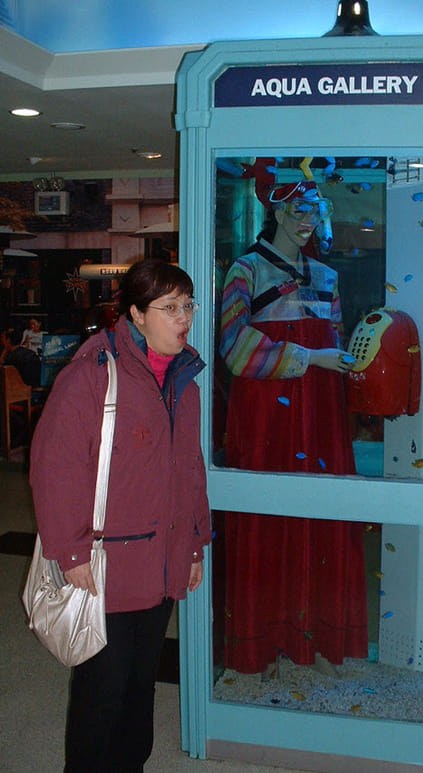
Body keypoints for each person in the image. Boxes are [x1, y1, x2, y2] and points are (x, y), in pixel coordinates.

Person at [29, 259, 211, 772]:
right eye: (170, 308)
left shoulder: (184, 380)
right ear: (135, 312)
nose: (184, 319)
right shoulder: (91, 374)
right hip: (104, 565)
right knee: (102, 689)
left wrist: (194, 544)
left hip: (162, 558)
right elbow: (54, 468)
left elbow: (189, 470)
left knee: (139, 683)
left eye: (188, 306)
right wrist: (70, 551)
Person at [219, 180, 368, 676]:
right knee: (265, 522)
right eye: (300, 211)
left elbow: (338, 340)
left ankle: (318, 639)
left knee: (322, 517)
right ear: (276, 211)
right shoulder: (246, 270)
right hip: (267, 416)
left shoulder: (326, 275)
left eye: (315, 212)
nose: (308, 222)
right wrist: (311, 357)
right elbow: (233, 347)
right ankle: (262, 642)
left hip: (321, 415)